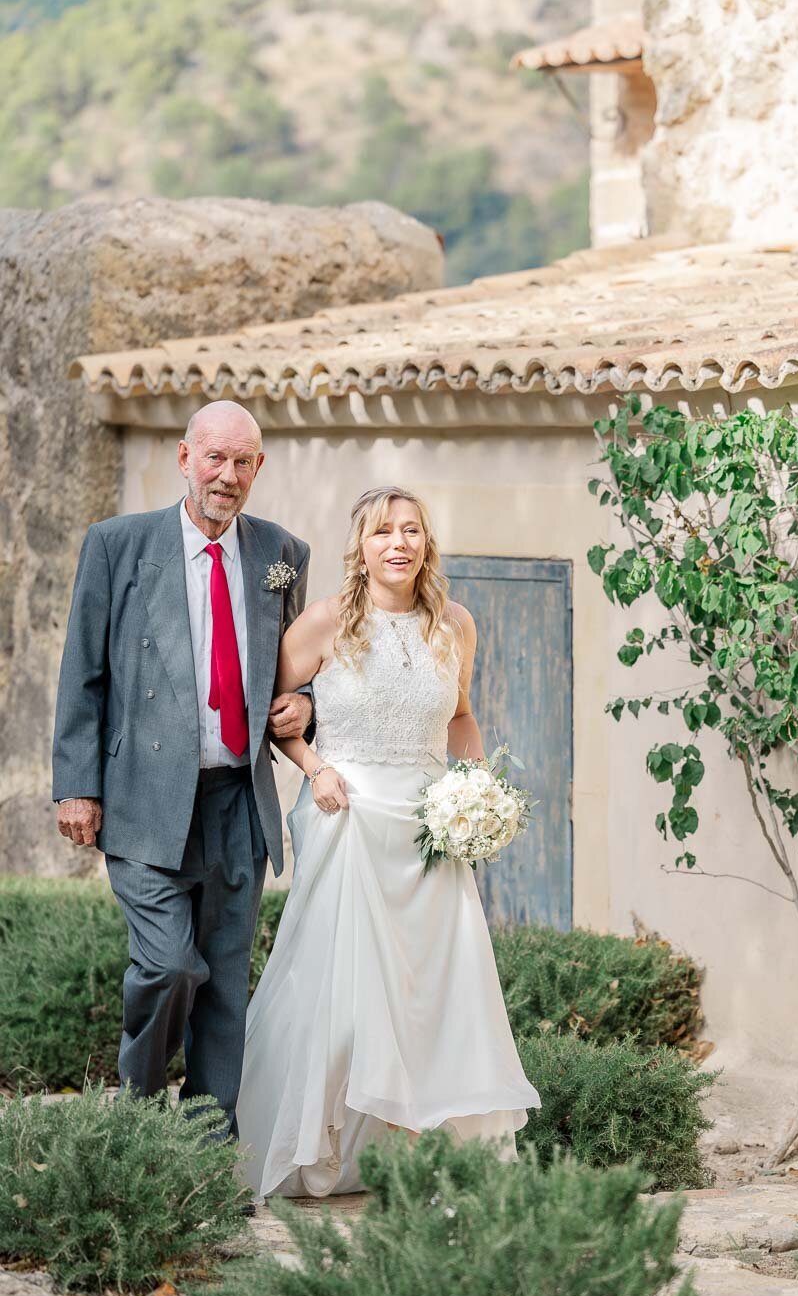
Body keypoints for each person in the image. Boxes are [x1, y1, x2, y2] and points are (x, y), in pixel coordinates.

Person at [236, 485, 540, 1197]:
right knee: (341, 989)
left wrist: (476, 790)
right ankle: (323, 1141)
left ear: (426, 545)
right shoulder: (325, 623)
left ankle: (423, 1149)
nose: (399, 544)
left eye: (411, 531)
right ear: (361, 547)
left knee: (431, 988)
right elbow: (272, 716)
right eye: (383, 533)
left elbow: (461, 717)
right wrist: (317, 769)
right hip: (350, 819)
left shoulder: (455, 626)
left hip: (431, 828)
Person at [52, 401, 312, 1143]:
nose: (226, 477)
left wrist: (305, 704)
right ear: (183, 457)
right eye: (214, 459)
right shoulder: (117, 546)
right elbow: (84, 674)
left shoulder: (281, 554)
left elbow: (302, 671)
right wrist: (76, 784)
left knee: (225, 984)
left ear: (257, 469)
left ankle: (204, 1150)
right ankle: (135, 1126)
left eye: (242, 463)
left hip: (237, 801)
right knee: (169, 967)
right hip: (143, 799)